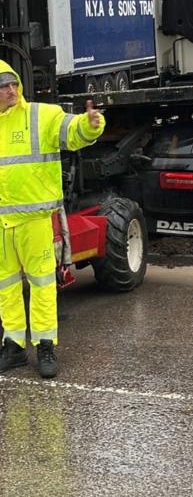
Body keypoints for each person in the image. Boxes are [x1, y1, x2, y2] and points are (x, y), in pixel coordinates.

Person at [0, 60, 105, 378]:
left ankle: (46, 344)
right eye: (3, 86)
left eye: (13, 84)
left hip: (34, 220)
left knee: (43, 283)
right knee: (5, 287)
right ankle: (14, 345)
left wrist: (90, 124)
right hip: (2, 225)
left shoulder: (40, 115)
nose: (11, 90)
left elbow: (72, 132)